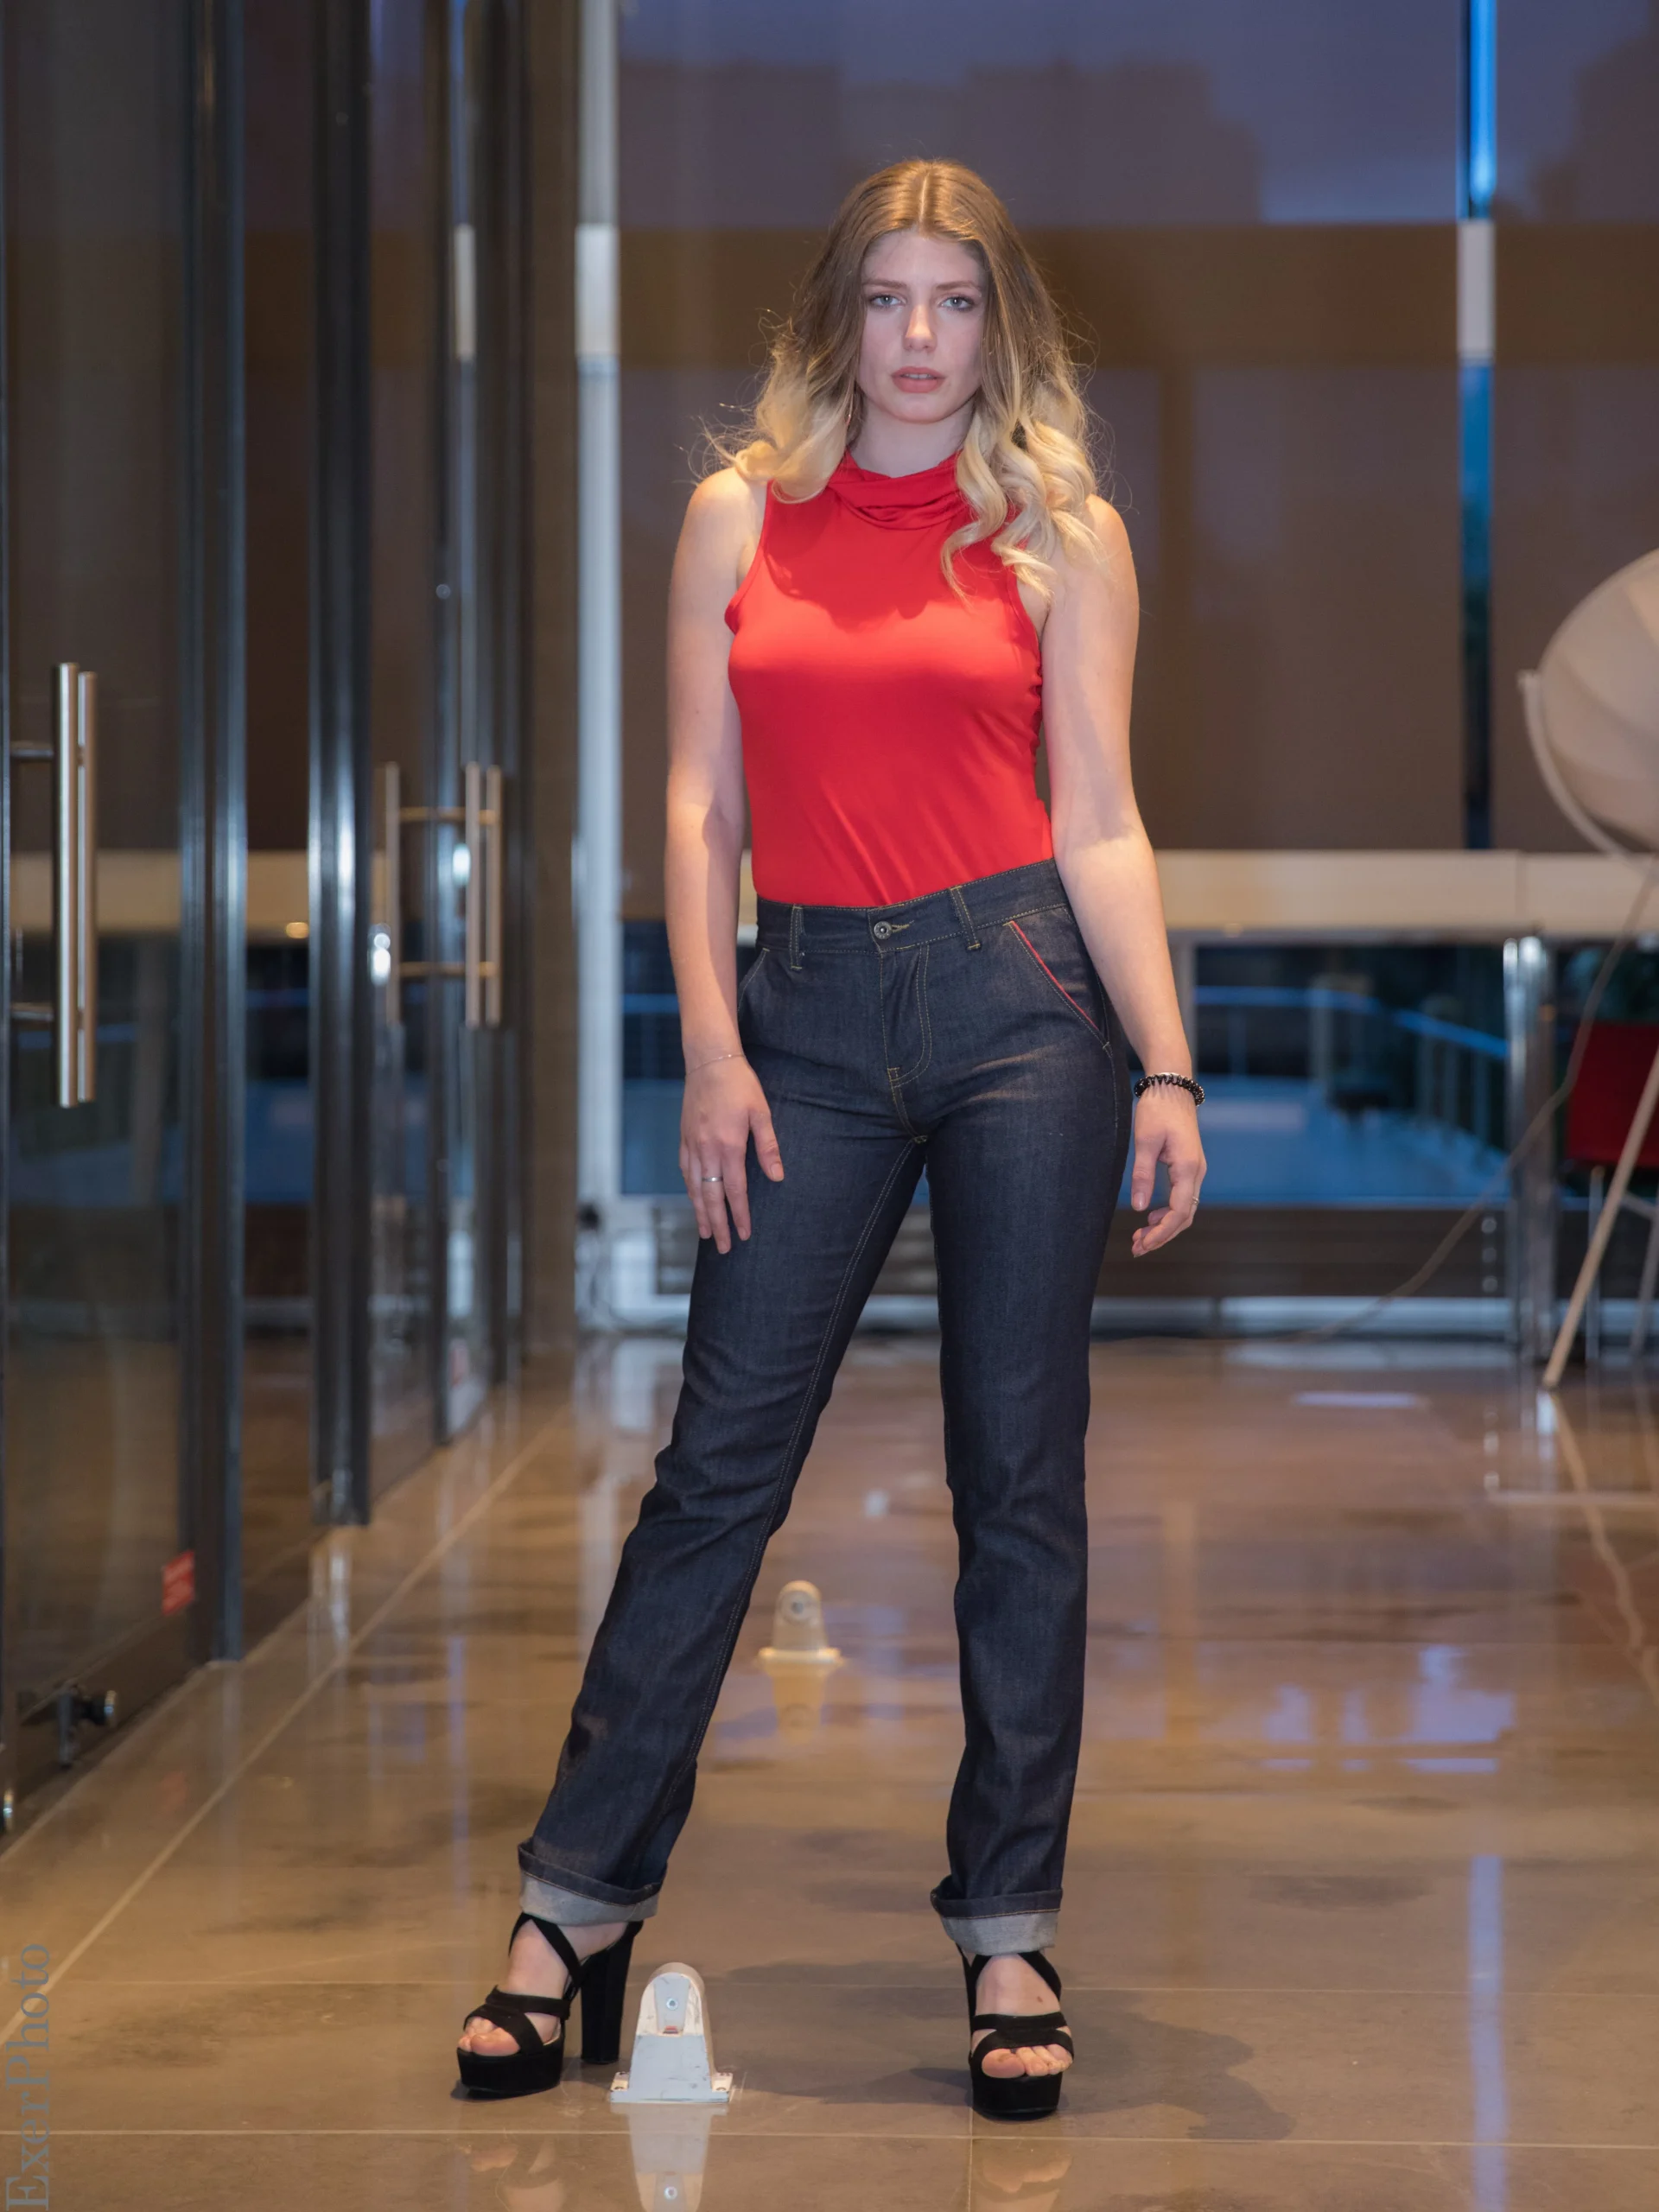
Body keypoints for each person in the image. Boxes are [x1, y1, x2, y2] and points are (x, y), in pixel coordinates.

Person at [458, 157, 1205, 2120]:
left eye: (957, 301)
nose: (921, 338)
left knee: (1018, 1480)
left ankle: (1010, 1926)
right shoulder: (740, 516)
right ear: (838, 319)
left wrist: (1168, 1064)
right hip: (796, 1014)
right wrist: (709, 1049)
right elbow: (698, 810)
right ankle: (572, 1908)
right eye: (888, 298)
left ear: (1001, 325)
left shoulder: (1065, 536)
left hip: (1022, 1003)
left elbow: (1101, 817)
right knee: (717, 1470)